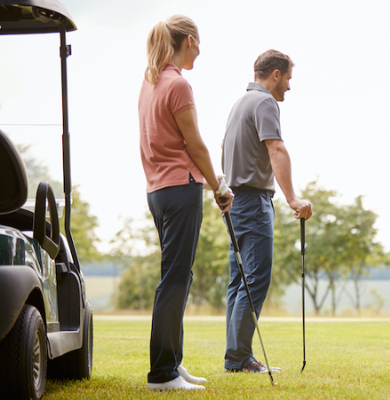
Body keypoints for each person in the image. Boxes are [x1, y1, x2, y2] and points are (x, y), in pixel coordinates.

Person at [138, 15, 233, 391]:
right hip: (181, 189)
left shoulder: (150, 82)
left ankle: (173, 364)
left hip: (159, 192)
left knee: (177, 276)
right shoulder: (178, 84)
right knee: (175, 279)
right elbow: (195, 144)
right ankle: (162, 373)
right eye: (199, 43)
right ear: (189, 40)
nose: (201, 50)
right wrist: (218, 185)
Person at [222, 49, 313, 373]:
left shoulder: (240, 104)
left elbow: (225, 150)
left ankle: (235, 357)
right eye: (288, 78)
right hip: (252, 203)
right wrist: (292, 199)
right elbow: (276, 148)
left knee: (239, 282)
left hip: (234, 202)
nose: (288, 85)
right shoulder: (264, 102)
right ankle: (240, 358)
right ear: (275, 74)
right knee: (254, 280)